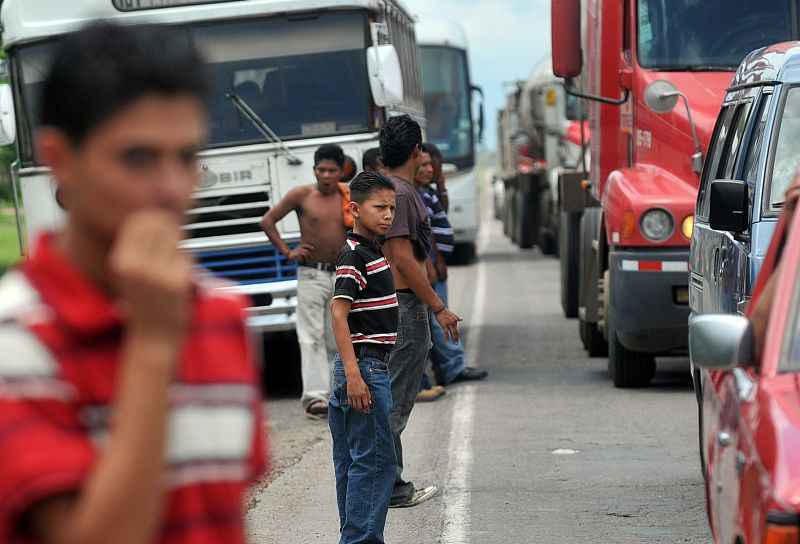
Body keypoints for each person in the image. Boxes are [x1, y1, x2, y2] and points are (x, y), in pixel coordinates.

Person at [0, 22, 267, 544]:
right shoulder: (17, 340)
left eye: (187, 157)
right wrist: (153, 342)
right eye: (138, 158)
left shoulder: (221, 312)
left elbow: (222, 517)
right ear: (60, 160)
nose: (172, 189)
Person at [379, 114, 462, 508]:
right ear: (416, 151)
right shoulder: (404, 194)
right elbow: (403, 258)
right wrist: (438, 307)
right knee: (396, 400)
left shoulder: (385, 188)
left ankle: (383, 482)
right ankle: (390, 486)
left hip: (387, 303)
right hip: (404, 306)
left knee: (389, 397)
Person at [329, 172, 398, 544]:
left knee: (354, 464)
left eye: (392, 208)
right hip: (364, 367)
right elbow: (339, 313)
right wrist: (354, 375)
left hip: (360, 367)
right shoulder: (355, 254)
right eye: (379, 207)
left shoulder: (372, 250)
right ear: (354, 209)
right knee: (374, 464)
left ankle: (352, 537)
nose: (388, 215)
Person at [260, 144, 348, 419]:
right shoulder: (302, 194)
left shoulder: (348, 195)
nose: (325, 175)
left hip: (344, 273)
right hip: (311, 272)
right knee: (310, 336)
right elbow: (267, 220)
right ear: (314, 170)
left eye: (331, 170)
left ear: (340, 171)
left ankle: (342, 393)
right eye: (321, 169)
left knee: (340, 335)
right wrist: (288, 251)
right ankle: (315, 398)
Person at [414, 145, 487, 403]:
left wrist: (442, 185)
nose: (430, 170)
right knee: (439, 318)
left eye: (433, 165)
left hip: (437, 263)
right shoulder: (415, 196)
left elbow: (441, 212)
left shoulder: (428, 192)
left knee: (438, 317)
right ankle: (452, 368)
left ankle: (449, 366)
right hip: (432, 265)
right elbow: (425, 234)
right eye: (423, 165)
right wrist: (435, 263)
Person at [424, 142, 449, 213]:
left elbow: (442, 216)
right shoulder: (417, 194)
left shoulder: (430, 191)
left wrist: (442, 188)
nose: (441, 171)